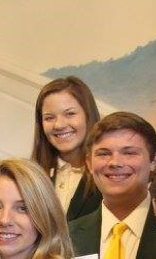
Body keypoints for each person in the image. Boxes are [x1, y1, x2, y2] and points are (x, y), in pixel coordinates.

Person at [68, 112, 156, 259]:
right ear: (89, 164)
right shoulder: (66, 237)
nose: (115, 162)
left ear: (155, 161)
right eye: (103, 154)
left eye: (129, 153)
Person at [32, 76, 103, 221]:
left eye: (70, 114)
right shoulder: (31, 175)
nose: (59, 125)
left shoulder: (108, 174)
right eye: (49, 117)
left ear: (88, 115)